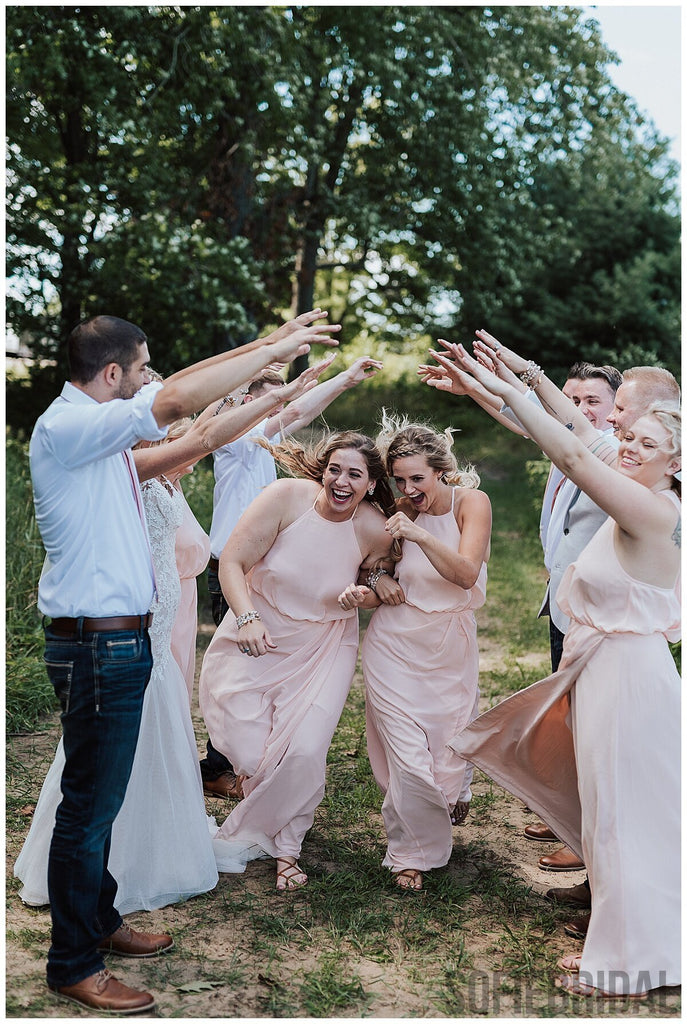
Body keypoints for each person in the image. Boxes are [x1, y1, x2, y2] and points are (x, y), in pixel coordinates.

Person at [27, 310, 338, 1014]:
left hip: (121, 639)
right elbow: (175, 405)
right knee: (89, 807)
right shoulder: (69, 429)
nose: (147, 380)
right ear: (112, 375)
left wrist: (269, 373)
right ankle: (73, 962)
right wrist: (280, 347)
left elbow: (196, 434)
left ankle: (99, 921)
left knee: (100, 800)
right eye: (139, 368)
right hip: (94, 643)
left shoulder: (105, 450)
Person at [443, 342, 680, 999]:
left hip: (631, 686)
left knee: (624, 822)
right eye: (625, 436)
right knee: (607, 817)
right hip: (607, 674)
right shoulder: (639, 484)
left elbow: (573, 454)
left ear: (677, 460)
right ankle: (637, 940)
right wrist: (520, 379)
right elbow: (580, 432)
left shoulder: (653, 512)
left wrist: (509, 389)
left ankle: (627, 964)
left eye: (643, 442)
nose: (624, 446)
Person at [198, 431, 397, 889]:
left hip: (323, 645)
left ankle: (287, 847)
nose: (341, 482)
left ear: (370, 484)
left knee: (304, 750)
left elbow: (379, 579)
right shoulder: (285, 498)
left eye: (354, 475)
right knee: (249, 751)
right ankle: (268, 804)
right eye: (334, 470)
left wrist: (365, 591)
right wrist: (246, 617)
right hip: (258, 633)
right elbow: (231, 560)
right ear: (322, 471)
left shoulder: (372, 526)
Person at [201, 355, 384, 798]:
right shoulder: (234, 437)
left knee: (265, 674)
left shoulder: (264, 437)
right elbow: (291, 409)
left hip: (275, 564)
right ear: (244, 401)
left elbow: (299, 411)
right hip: (239, 568)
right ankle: (227, 764)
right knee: (244, 675)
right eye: (269, 399)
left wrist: (343, 380)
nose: (280, 407)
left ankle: (249, 765)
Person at [339, 414, 491, 891]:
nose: (408, 488)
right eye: (400, 479)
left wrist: (420, 532)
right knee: (406, 756)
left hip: (448, 645)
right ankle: (409, 852)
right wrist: (377, 579)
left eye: (417, 478)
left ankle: (454, 790)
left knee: (448, 747)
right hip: (394, 645)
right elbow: (367, 564)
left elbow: (465, 574)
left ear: (441, 470)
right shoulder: (399, 510)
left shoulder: (472, 503)